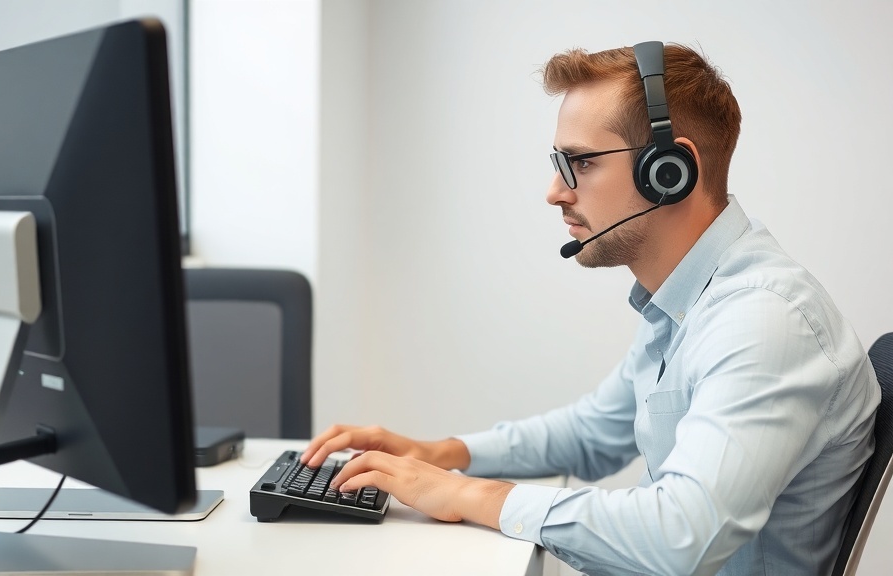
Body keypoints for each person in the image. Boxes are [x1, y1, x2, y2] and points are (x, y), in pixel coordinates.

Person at [301, 41, 881, 575]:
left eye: (580, 162)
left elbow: (684, 537)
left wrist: (468, 496)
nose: (555, 191)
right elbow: (593, 432)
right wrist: (444, 455)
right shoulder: (687, 302)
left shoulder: (762, 320)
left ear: (669, 173)